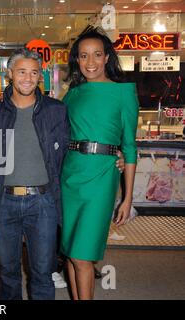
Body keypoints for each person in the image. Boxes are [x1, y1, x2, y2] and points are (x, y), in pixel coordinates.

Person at [61, 27, 138, 300]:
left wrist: (127, 197)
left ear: (107, 57)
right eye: (83, 56)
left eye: (96, 55)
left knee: (82, 256)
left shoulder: (123, 93)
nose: (90, 62)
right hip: (70, 175)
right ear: (77, 60)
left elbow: (129, 147)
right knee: (70, 253)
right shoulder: (72, 94)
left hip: (102, 177)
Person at [0, 48, 70, 300]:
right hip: (4, 201)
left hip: (43, 202)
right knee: (7, 272)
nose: (28, 77)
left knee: (42, 273)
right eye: (22, 71)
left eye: (34, 72)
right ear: (10, 74)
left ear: (40, 76)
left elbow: (71, 151)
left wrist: (114, 156)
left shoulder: (56, 110)